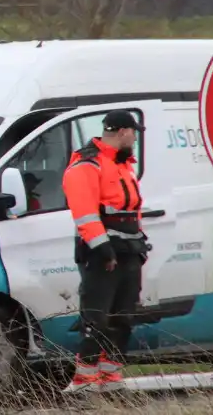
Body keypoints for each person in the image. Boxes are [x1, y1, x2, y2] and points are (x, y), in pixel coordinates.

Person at [62, 109, 148, 392]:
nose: (135, 138)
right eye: (133, 133)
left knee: (123, 317)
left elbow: (131, 209)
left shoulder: (122, 164)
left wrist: (139, 244)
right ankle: (84, 379)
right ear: (123, 132)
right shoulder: (88, 165)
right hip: (102, 254)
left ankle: (110, 377)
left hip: (128, 250)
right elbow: (85, 214)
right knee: (96, 317)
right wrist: (104, 251)